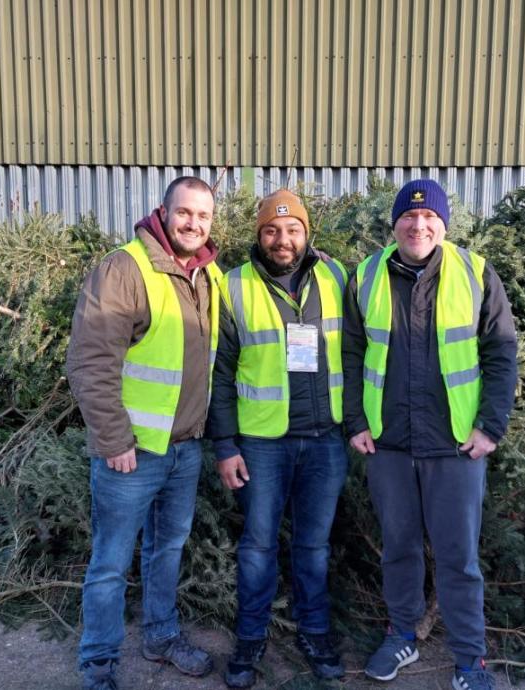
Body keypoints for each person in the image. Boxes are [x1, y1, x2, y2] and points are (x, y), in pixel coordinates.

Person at [342, 179, 517, 690]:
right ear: (394, 223)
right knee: (398, 548)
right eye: (409, 218)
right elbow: (350, 355)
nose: (418, 226)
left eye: (429, 219)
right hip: (388, 442)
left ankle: (470, 661)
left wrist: (491, 427)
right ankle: (402, 635)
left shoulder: (476, 272)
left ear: (444, 224)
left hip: (456, 446)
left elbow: (501, 353)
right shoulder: (367, 275)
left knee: (458, 557)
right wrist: (355, 421)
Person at [67, 176, 221, 690]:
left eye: (203, 216)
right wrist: (114, 442)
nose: (193, 223)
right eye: (184, 213)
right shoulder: (125, 268)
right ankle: (99, 665)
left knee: (166, 551)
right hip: (131, 455)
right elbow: (90, 362)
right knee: (110, 563)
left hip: (184, 450)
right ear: (163, 211)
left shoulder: (207, 274)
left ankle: (161, 636)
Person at [208, 189, 349, 688]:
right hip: (261, 443)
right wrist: (225, 445)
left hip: (325, 439)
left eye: (292, 230)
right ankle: (250, 639)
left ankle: (314, 632)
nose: (282, 239)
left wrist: (355, 425)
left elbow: (356, 353)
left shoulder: (336, 277)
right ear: (258, 235)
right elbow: (219, 373)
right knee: (257, 546)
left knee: (314, 547)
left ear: (307, 233)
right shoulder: (233, 286)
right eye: (271, 229)